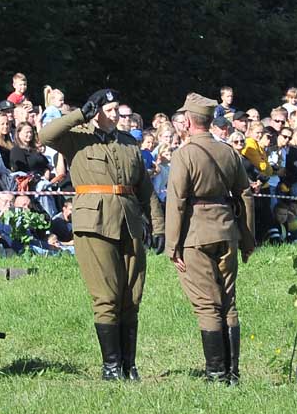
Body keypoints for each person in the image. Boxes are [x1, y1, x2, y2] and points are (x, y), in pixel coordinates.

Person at [39, 88, 164, 381]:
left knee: (131, 295)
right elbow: (45, 135)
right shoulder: (77, 137)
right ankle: (110, 367)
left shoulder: (128, 142)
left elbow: (145, 188)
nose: (114, 115)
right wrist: (81, 113)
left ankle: (128, 365)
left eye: (117, 110)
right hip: (93, 222)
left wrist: (158, 225)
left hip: (129, 221)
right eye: (108, 109)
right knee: (106, 295)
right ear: (97, 111)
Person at [165, 93, 254, 384]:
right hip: (227, 231)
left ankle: (216, 374)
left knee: (206, 304)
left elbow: (177, 201)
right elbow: (245, 194)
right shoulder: (229, 152)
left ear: (188, 121)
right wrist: (247, 238)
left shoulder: (184, 154)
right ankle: (233, 372)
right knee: (228, 301)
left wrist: (172, 245)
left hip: (196, 234)